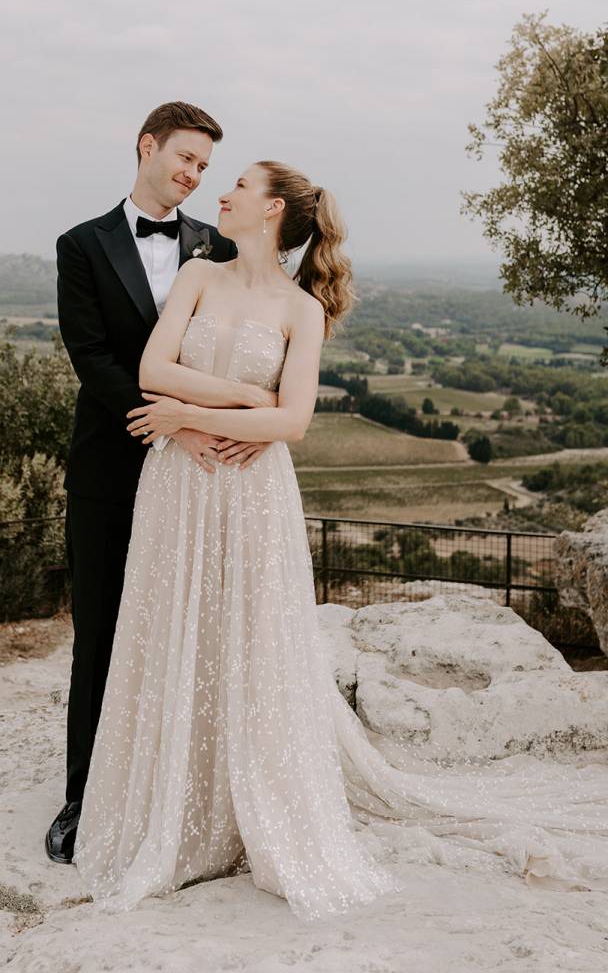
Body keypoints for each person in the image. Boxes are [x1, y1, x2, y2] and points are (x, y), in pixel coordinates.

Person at [70, 159, 608, 922]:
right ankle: (174, 797)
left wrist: (192, 415)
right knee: (174, 624)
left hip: (251, 489)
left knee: (248, 633)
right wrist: (242, 397)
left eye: (240, 186)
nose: (222, 193)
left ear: (272, 211)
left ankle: (247, 800)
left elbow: (292, 423)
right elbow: (154, 369)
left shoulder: (302, 309)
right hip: (179, 482)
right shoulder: (196, 276)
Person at [46, 102, 273, 864]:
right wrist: (172, 423)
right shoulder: (81, 245)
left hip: (205, 472)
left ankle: (189, 789)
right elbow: (91, 358)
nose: (194, 174)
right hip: (112, 465)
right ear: (147, 146)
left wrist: (223, 422)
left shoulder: (217, 244)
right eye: (184, 158)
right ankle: (85, 798)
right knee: (102, 631)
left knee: (196, 629)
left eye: (205, 166)